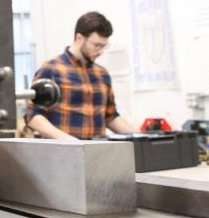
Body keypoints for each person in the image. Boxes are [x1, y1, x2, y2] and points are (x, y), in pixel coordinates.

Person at [23, 11, 135, 140]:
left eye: (104, 46)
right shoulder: (51, 69)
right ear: (79, 38)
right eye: (96, 45)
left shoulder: (102, 74)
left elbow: (110, 116)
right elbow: (33, 115)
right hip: (63, 153)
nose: (100, 51)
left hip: (96, 153)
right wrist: (65, 139)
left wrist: (142, 136)